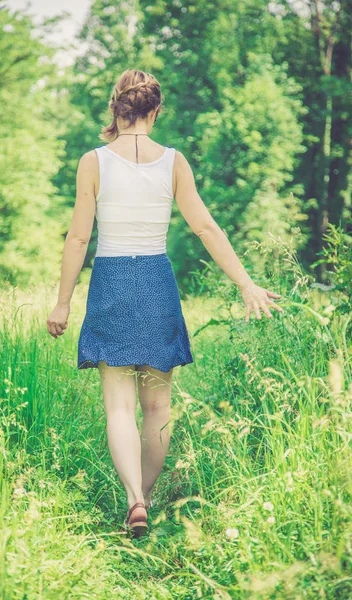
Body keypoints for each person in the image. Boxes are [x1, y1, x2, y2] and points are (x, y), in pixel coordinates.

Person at [46, 68, 283, 538]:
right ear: (155, 111)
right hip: (156, 280)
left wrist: (62, 303)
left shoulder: (93, 161)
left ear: (117, 107)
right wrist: (246, 284)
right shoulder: (174, 161)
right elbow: (206, 228)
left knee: (119, 407)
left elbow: (78, 238)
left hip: (111, 280)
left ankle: (133, 497)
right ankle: (147, 499)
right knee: (157, 407)